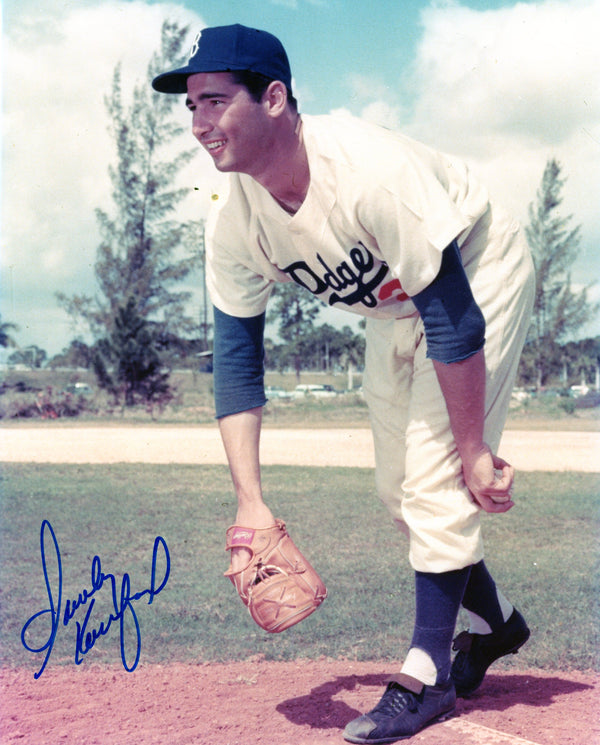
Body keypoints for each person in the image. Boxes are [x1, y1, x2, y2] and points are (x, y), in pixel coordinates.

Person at [152, 23, 534, 744]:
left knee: (437, 479)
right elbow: (237, 361)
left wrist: (474, 445)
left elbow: (452, 314)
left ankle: (426, 674)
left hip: (476, 265)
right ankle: (497, 622)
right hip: (393, 303)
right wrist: (251, 502)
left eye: (212, 102)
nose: (198, 124)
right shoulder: (234, 221)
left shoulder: (368, 170)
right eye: (190, 107)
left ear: (273, 98)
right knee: (401, 492)